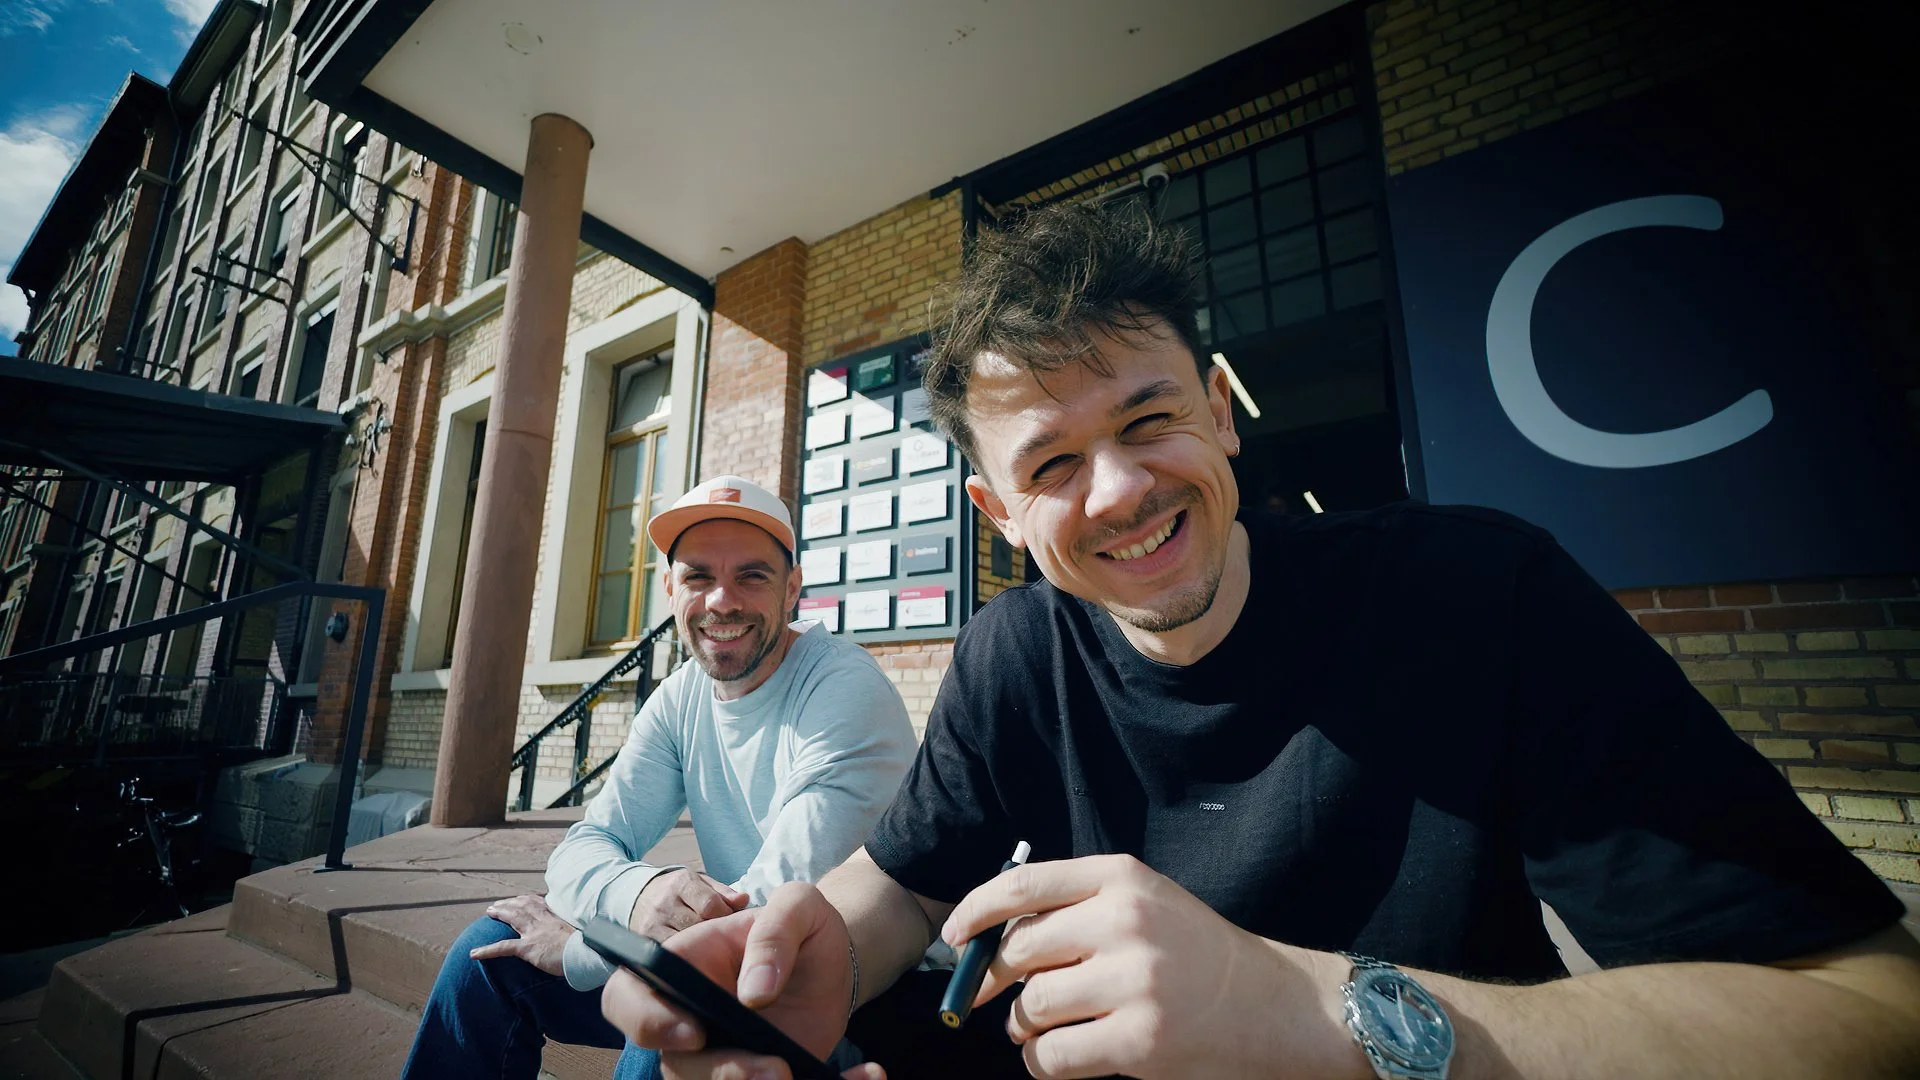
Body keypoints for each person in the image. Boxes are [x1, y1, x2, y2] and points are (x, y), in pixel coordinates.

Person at [601, 202, 1920, 1080]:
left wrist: (1311, 1012)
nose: (1115, 489)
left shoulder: (1471, 591)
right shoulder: (1017, 652)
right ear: (999, 515)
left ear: (1224, 415)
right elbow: (904, 886)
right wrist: (812, 949)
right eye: (1052, 461)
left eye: (1148, 418)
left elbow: (1868, 1012)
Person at [402, 475, 915, 1080]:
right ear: (670, 588)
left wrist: (579, 948)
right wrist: (640, 896)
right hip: (725, 964)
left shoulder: (843, 689)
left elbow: (768, 907)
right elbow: (585, 847)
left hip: (858, 997)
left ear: (792, 589)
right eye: (699, 576)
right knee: (484, 957)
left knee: (681, 1005)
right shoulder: (679, 699)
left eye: (752, 576)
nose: (723, 601)